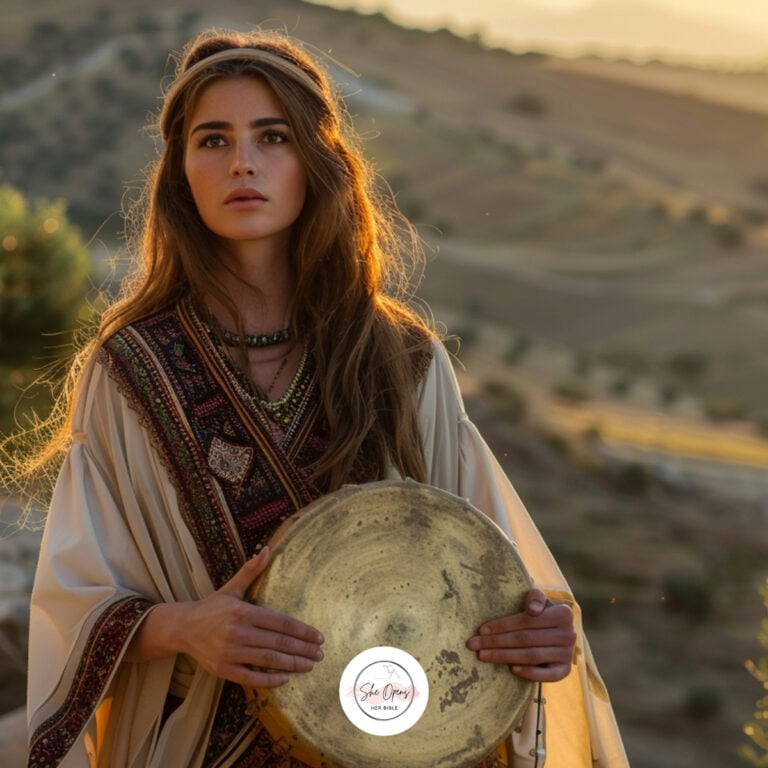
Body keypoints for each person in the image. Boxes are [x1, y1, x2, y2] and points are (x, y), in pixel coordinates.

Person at [23, 27, 628, 768]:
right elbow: (75, 603)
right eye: (213, 141)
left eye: (271, 136)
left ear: (316, 161)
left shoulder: (402, 362)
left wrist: (536, 632)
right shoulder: (129, 370)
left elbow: (488, 582)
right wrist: (188, 628)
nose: (242, 161)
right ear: (181, 175)